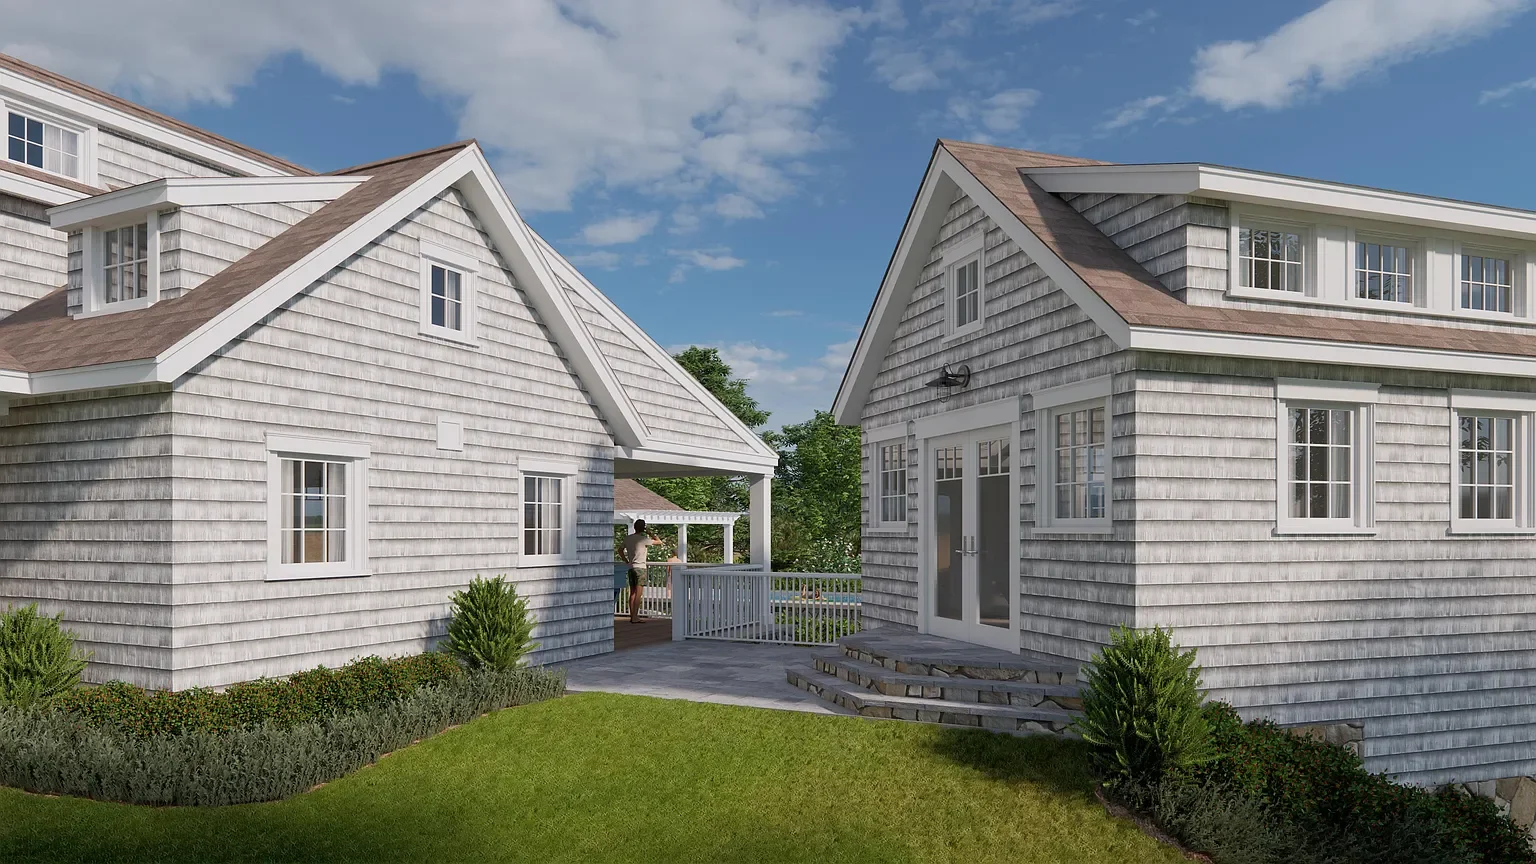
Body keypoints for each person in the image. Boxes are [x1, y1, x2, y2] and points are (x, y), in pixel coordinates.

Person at [621, 520, 660, 624]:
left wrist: (626, 560)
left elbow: (620, 550)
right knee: (639, 594)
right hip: (640, 568)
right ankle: (635, 617)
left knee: (632, 592)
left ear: (634, 527)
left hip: (631, 567)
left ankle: (632, 616)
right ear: (643, 528)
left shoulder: (628, 538)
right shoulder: (643, 539)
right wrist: (650, 532)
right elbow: (659, 542)